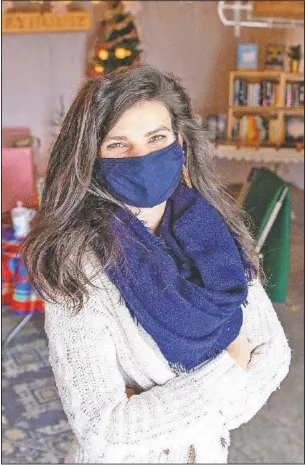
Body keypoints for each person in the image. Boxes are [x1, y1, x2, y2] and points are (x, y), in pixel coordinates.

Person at [22, 66, 291, 464]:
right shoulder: (77, 263)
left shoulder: (213, 226)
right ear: (91, 157)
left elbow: (275, 357)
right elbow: (103, 433)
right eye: (118, 145)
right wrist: (233, 367)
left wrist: (156, 408)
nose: (143, 158)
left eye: (157, 138)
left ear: (179, 141)